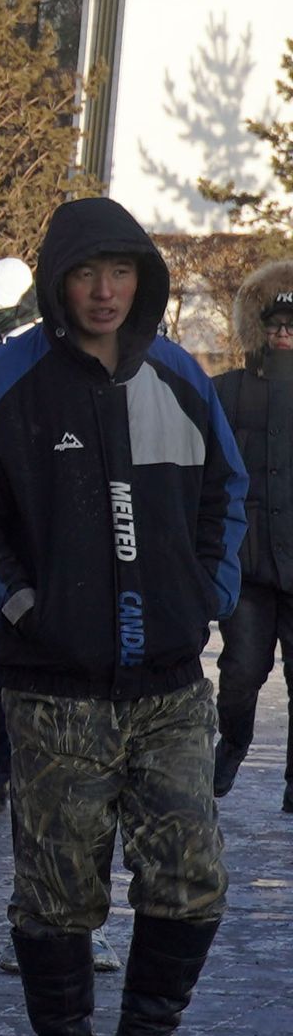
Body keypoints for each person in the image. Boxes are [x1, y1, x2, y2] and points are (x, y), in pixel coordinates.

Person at [0, 197, 241, 1036]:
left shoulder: (180, 376)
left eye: (120, 273)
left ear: (143, 281)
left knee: (191, 875)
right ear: (57, 283)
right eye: (85, 274)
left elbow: (226, 495)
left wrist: (208, 595)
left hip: (170, 683)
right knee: (59, 886)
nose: (104, 292)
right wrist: (19, 605)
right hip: (54, 687)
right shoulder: (11, 377)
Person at [210, 260, 293, 808]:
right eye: (275, 325)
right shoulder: (225, 392)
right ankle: (233, 744)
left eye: (292, 326)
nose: (283, 335)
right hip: (247, 563)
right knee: (240, 673)